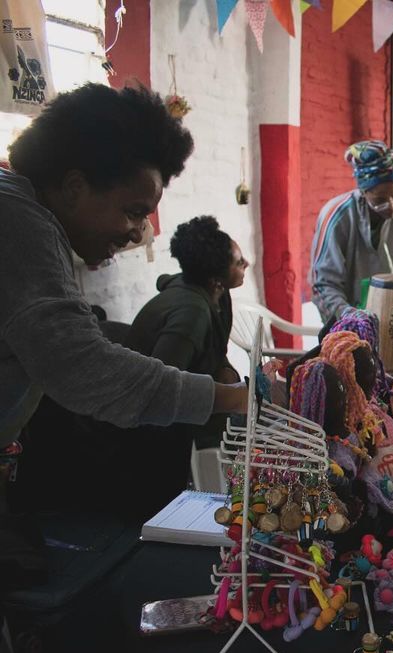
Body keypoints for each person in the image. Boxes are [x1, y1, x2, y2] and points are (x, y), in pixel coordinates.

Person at [0, 84, 247, 501]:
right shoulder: (20, 223)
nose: (138, 232)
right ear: (75, 186)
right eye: (133, 212)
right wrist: (237, 399)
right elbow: (83, 369)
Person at [124, 215, 248, 448]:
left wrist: (226, 369)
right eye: (239, 262)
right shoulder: (191, 315)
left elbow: (215, 350)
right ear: (216, 280)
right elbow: (160, 391)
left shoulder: (219, 295)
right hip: (149, 429)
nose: (246, 264)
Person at [310, 140, 393, 324]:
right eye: (380, 199)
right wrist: (349, 317)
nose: (391, 205)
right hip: (349, 324)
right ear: (364, 192)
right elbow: (324, 285)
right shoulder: (338, 217)